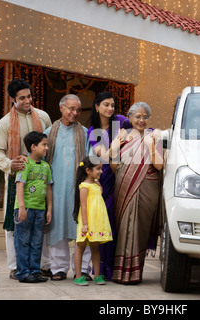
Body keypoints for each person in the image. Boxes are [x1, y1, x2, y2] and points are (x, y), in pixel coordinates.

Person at [0, 78, 52, 279]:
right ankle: (16, 266)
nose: (27, 101)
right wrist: (10, 165)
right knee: (14, 223)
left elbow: (49, 145)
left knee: (40, 224)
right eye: (22, 98)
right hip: (17, 179)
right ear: (12, 99)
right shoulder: (5, 123)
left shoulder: (42, 117)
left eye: (29, 96)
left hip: (40, 179)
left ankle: (42, 265)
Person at [109, 102, 163, 284]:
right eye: (137, 116)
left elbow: (159, 165)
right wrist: (115, 149)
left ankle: (135, 273)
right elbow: (115, 168)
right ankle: (120, 272)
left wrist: (150, 146)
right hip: (124, 187)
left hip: (148, 188)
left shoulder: (154, 137)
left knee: (140, 229)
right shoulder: (122, 137)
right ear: (129, 117)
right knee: (124, 227)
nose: (141, 120)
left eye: (145, 117)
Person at [44, 94, 91, 281]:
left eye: (78, 110)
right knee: (58, 227)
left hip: (79, 188)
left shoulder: (86, 132)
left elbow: (90, 160)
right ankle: (58, 268)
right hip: (56, 189)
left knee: (84, 227)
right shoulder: (49, 132)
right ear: (61, 107)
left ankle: (84, 268)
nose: (75, 113)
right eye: (71, 109)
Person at [87, 91, 132, 280]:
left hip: (122, 175)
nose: (110, 108)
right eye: (106, 104)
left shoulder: (121, 121)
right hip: (103, 179)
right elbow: (103, 157)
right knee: (104, 221)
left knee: (118, 222)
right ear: (97, 106)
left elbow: (140, 129)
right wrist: (115, 143)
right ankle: (103, 269)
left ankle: (118, 267)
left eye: (112, 105)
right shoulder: (92, 130)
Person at [13, 131, 53, 283]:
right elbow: (20, 185)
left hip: (40, 210)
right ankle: (23, 273)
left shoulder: (46, 167)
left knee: (37, 243)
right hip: (26, 209)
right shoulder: (25, 164)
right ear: (33, 146)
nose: (46, 148)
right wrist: (21, 207)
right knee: (22, 241)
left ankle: (35, 272)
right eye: (44, 145)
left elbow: (48, 189)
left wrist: (49, 209)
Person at [73, 156, 113, 286]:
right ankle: (78, 276)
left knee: (95, 248)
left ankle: (96, 275)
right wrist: (85, 224)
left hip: (96, 222)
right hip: (87, 222)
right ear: (88, 170)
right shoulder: (84, 186)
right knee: (81, 247)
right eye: (98, 169)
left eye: (101, 168)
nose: (101, 171)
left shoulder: (96, 185)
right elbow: (83, 206)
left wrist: (99, 185)